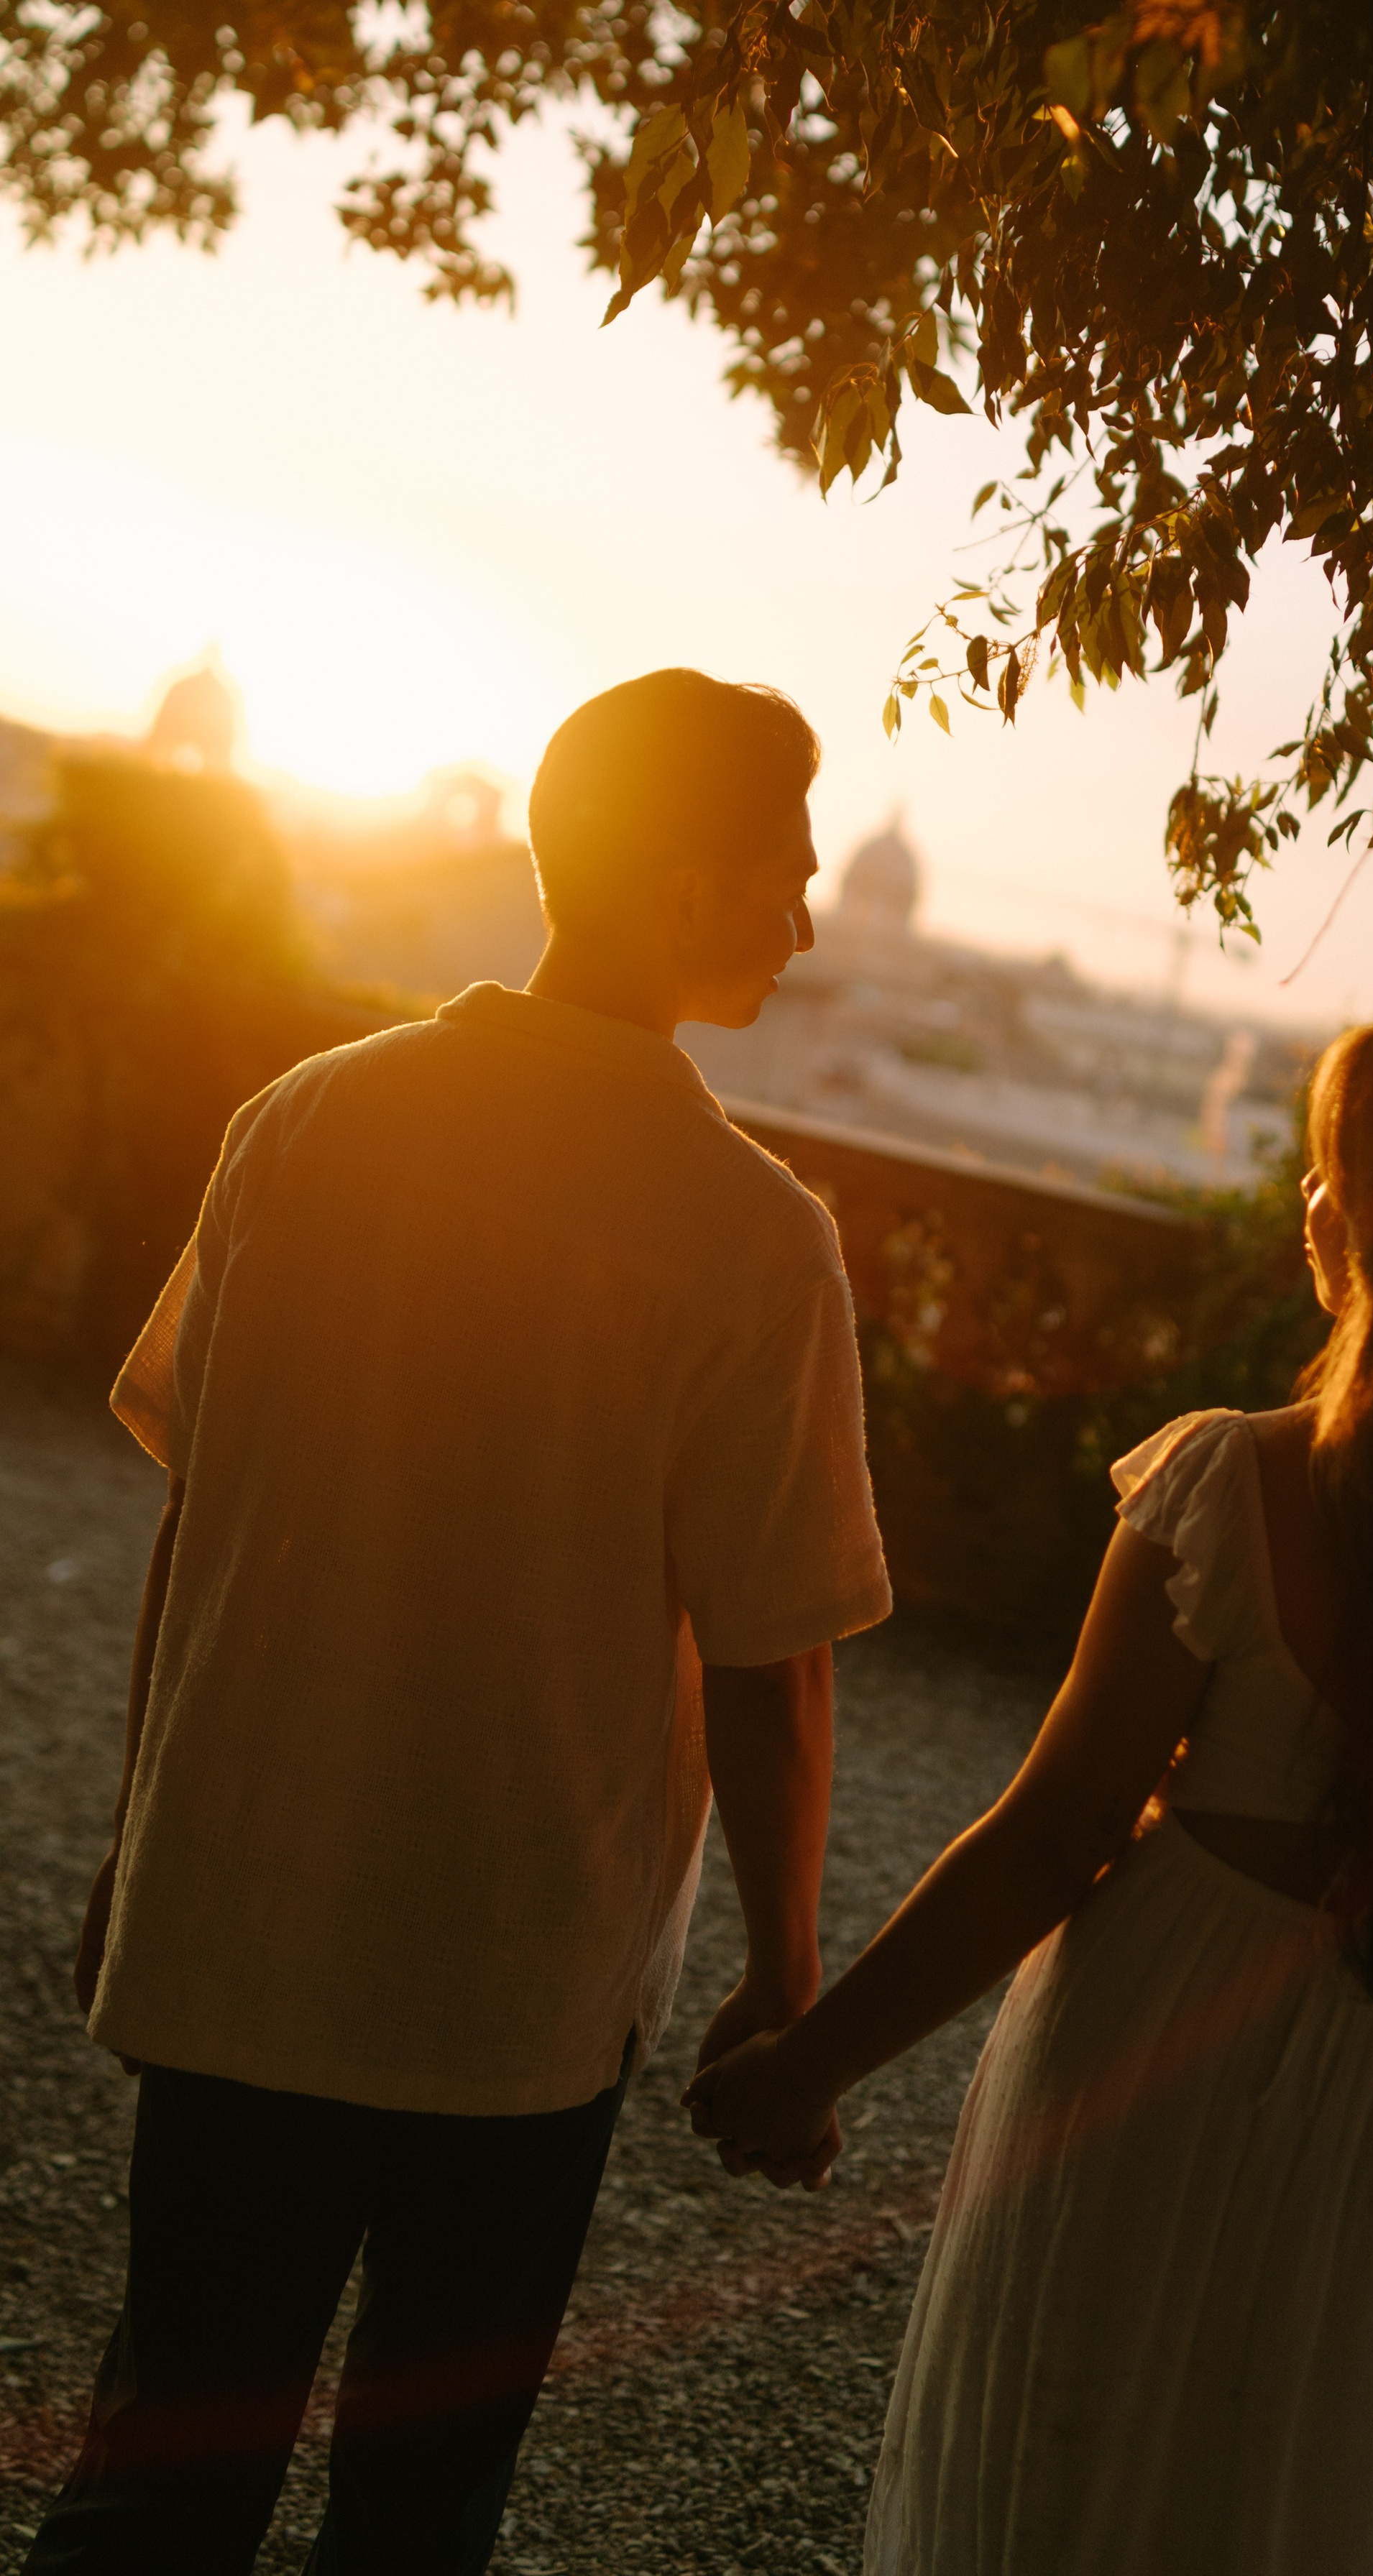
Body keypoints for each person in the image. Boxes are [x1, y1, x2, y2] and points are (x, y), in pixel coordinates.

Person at [686, 1018, 1373, 2576]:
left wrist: (812, 2065)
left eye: (1330, 1171)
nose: (1307, 1206)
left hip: (1156, 2045)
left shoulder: (1228, 1486)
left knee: (1075, 2487)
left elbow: (1051, 1838)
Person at [29, 668, 891, 2576]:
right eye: (787, 868)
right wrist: (787, 1980)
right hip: (514, 1980)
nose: (807, 917)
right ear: (683, 883)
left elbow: (201, 1518)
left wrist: (143, 1836)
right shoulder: (750, 1234)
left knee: (160, 2470)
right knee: (418, 2506)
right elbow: (774, 1661)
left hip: (246, 1909)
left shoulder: (306, 1120)